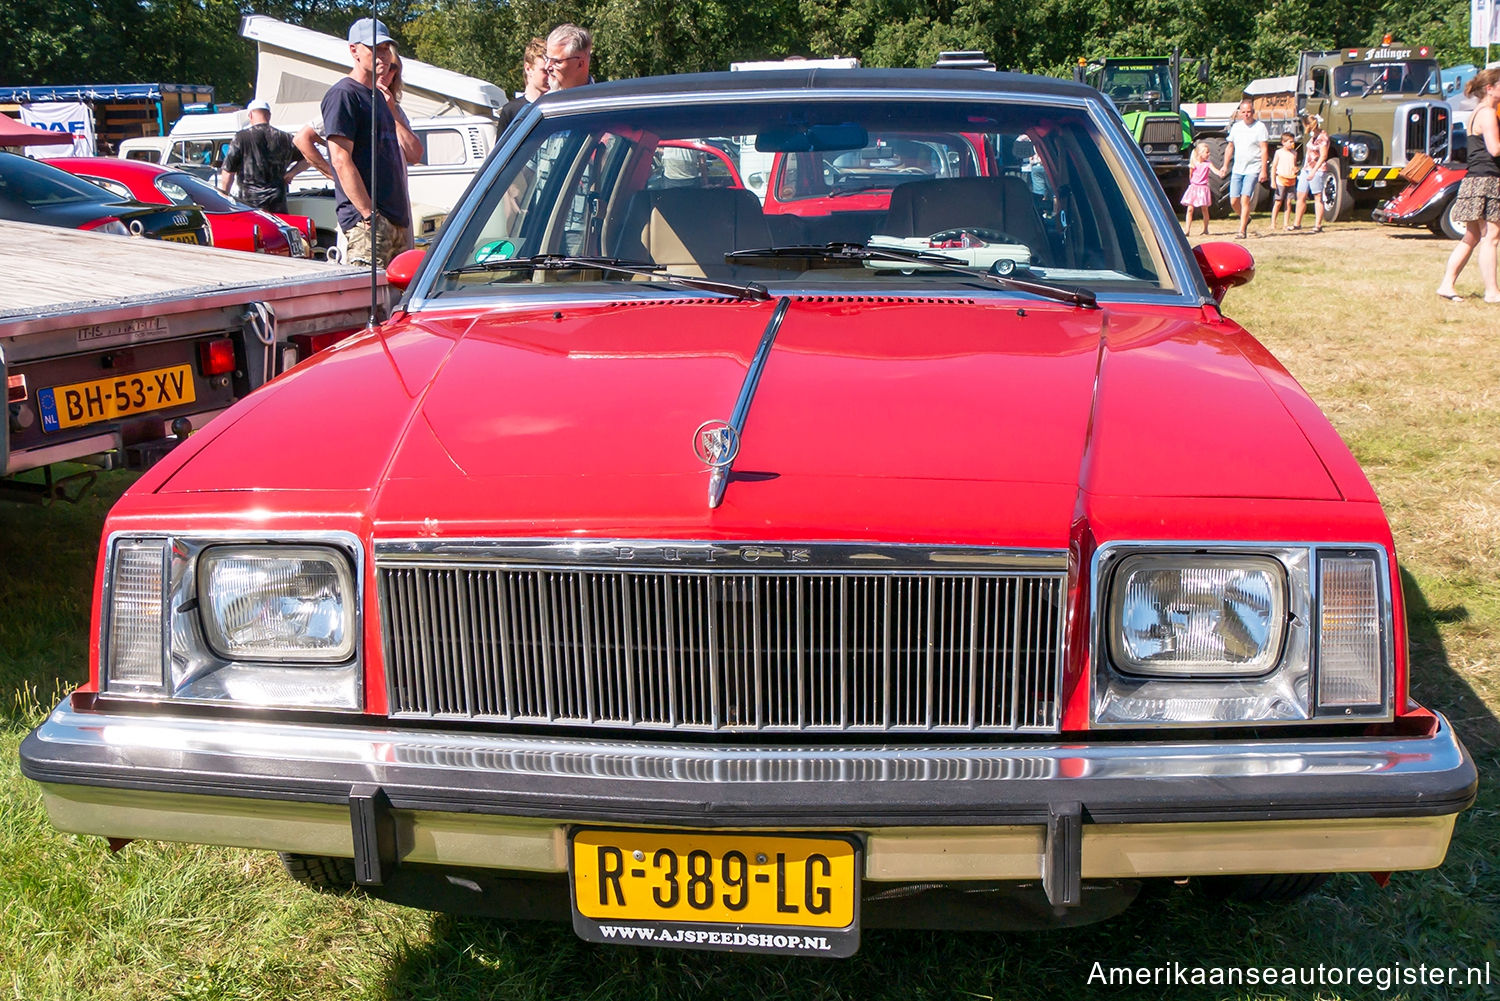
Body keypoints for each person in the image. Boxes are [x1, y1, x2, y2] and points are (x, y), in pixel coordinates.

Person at [321, 18, 422, 268]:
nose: (383, 56)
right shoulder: (344, 94)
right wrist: (368, 215)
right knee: (368, 301)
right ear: (354, 50)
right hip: (368, 226)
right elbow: (340, 159)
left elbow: (415, 154)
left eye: (387, 49)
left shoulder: (380, 98)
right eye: (375, 49)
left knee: (397, 303)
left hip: (397, 222)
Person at [1436, 68, 1500, 302]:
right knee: (1491, 236)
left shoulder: (1478, 112)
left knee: (1472, 236)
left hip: (1474, 179)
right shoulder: (1488, 114)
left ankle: (1446, 284)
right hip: (1487, 180)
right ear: (1489, 88)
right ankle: (1492, 291)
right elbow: (1495, 149)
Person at [217, 99, 305, 213]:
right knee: (278, 229)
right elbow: (308, 158)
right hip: (277, 200)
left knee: (255, 230)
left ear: (250, 115)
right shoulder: (286, 138)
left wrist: (224, 196)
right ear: (269, 115)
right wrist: (291, 173)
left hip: (250, 201)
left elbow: (228, 171)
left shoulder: (241, 138)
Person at [1222, 99, 1268, 239]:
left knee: (1245, 198)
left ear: (1253, 112)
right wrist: (1225, 165)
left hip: (1253, 168)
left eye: (1249, 112)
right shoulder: (1236, 127)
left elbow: (1264, 149)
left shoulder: (1260, 127)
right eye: (1244, 112)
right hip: (1238, 168)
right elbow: (1230, 147)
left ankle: (1242, 231)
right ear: (1239, 113)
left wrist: (1264, 170)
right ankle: (1245, 217)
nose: (1246, 114)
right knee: (1233, 200)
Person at [495, 37, 549, 133]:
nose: (549, 76)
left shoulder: (553, 107)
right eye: (544, 71)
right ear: (528, 69)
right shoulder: (511, 111)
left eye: (551, 70)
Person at [1292, 114, 1330, 232]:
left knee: (1317, 196)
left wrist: (1314, 171)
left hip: (1317, 169)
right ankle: (1297, 223)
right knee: (1301, 195)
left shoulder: (1323, 137)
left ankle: (1318, 225)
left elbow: (1323, 156)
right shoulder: (1313, 136)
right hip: (1306, 168)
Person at [1179, 141, 1222, 236]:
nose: (1208, 154)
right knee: (1190, 209)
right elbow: (1191, 175)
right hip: (1194, 187)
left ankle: (1206, 229)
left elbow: (1215, 171)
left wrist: (1220, 173)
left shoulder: (1208, 164)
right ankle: (1187, 230)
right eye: (1206, 152)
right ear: (1200, 153)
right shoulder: (1193, 164)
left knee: (1204, 209)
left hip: (1203, 189)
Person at [546, 23, 593, 91]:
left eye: (557, 61)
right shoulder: (544, 100)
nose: (547, 67)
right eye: (547, 59)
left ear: (580, 64)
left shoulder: (603, 99)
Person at [1269, 131, 1299, 232]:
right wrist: (1273, 181)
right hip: (1281, 179)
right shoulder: (1279, 153)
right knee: (1278, 201)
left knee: (1289, 202)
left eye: (1293, 142)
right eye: (1290, 142)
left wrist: (1295, 169)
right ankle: (1273, 222)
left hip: (1291, 179)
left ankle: (1286, 223)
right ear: (1283, 142)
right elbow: (1274, 167)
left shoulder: (1294, 153)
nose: (1292, 144)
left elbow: (1294, 165)